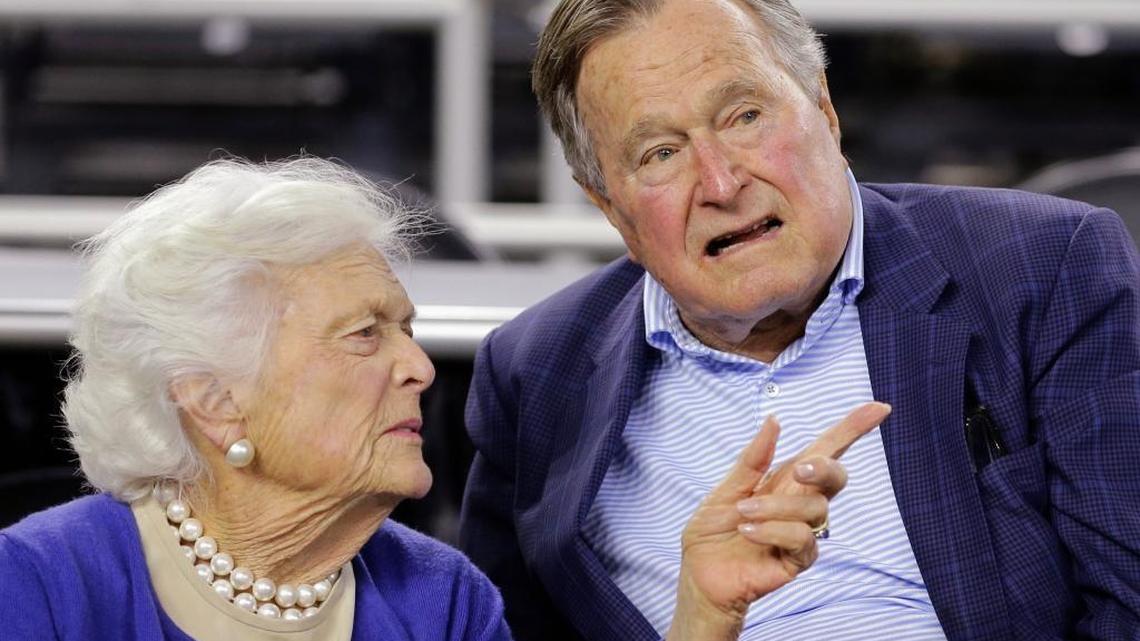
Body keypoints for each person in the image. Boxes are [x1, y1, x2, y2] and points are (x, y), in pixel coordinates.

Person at [457, 0, 1140, 640]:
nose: (721, 183)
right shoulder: (534, 374)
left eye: (744, 116)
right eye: (660, 153)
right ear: (610, 208)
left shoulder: (1040, 267)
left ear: (824, 110)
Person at [0, 158, 513, 641]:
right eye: (364, 334)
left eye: (406, 330)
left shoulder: (447, 602)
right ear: (215, 401)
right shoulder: (38, 585)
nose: (421, 368)